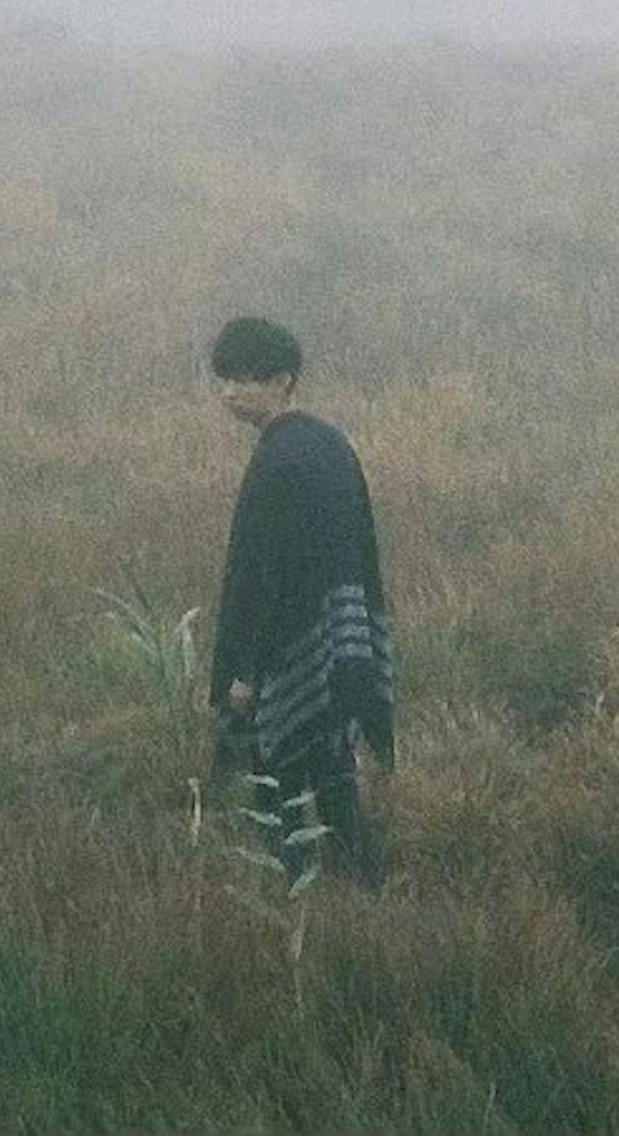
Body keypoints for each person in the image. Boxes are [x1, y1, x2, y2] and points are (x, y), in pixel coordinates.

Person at [205, 315, 393, 890]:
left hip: (288, 651)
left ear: (284, 379)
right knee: (334, 772)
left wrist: (245, 671)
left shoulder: (279, 460)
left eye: (247, 378)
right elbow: (359, 551)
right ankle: (363, 892)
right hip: (343, 644)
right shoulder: (329, 444)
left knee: (276, 777)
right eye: (224, 378)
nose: (231, 391)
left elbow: (262, 574)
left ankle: (295, 899)